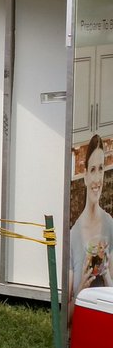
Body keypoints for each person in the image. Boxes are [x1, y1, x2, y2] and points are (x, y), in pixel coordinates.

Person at [71, 133, 113, 321]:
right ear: (85, 175)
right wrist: (82, 288)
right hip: (83, 324)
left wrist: (107, 275)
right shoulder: (73, 235)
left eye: (101, 169)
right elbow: (66, 319)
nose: (97, 178)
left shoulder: (110, 224)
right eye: (93, 169)